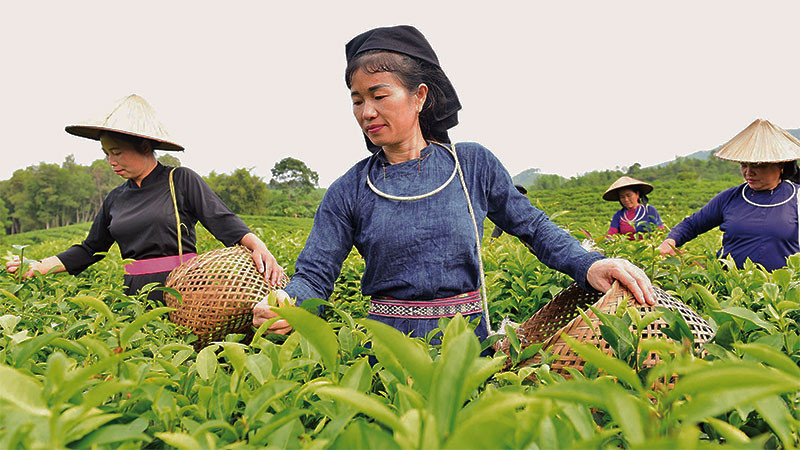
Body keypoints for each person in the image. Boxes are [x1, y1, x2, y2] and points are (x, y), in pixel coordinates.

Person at [253, 25, 654, 340]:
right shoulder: (351, 188)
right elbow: (315, 275)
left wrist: (589, 263)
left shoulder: (471, 164)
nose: (366, 112)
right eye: (357, 100)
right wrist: (288, 304)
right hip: (388, 353)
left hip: (468, 346)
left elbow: (532, 226)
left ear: (419, 97)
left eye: (379, 96)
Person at [5, 94, 284, 300]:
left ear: (144, 146)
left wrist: (258, 247)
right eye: (106, 154)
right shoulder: (115, 199)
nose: (111, 161)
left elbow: (222, 220)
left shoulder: (179, 180)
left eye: (117, 152)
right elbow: (90, 249)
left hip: (183, 288)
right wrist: (39, 266)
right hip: (135, 294)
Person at [658, 119, 800, 271]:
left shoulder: (796, 197)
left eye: (758, 166)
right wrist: (671, 240)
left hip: (781, 285)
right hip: (731, 283)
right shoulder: (731, 197)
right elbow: (693, 224)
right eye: (744, 165)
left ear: (780, 165)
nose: (748, 172)